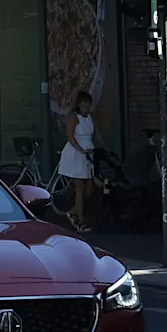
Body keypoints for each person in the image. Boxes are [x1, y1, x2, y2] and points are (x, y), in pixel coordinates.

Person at [57, 89, 97, 231]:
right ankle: (80, 221)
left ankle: (73, 211)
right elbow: (70, 137)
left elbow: (95, 133)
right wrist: (81, 150)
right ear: (80, 104)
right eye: (86, 104)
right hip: (76, 154)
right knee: (80, 187)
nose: (88, 106)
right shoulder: (73, 117)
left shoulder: (89, 117)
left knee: (90, 187)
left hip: (88, 153)